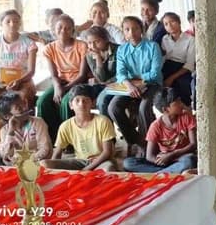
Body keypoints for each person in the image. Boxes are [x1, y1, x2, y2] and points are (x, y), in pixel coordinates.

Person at [107, 16, 163, 157]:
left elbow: (155, 73)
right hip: (130, 85)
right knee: (113, 107)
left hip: (152, 84)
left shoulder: (153, 47)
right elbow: (120, 73)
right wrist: (130, 86)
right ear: (123, 32)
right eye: (127, 29)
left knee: (144, 107)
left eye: (135, 29)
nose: (131, 32)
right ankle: (137, 141)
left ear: (141, 30)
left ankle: (147, 144)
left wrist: (139, 80)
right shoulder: (122, 50)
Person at [40, 85, 116, 171]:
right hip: (81, 162)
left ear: (93, 103)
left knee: (109, 168)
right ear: (71, 105)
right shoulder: (65, 126)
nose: (81, 104)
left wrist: (86, 170)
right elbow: (57, 153)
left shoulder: (103, 121)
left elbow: (107, 152)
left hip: (100, 161)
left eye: (86, 100)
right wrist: (53, 168)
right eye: (77, 100)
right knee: (45, 164)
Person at [37, 14, 89, 141]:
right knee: (42, 102)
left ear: (73, 30)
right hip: (60, 82)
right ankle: (51, 138)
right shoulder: (49, 49)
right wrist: (57, 87)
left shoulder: (82, 46)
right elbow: (54, 75)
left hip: (78, 82)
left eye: (68, 28)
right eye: (59, 27)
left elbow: (82, 75)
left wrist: (64, 89)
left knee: (67, 102)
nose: (63, 31)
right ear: (53, 30)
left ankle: (68, 140)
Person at [123, 87, 197, 173]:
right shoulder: (155, 126)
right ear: (165, 109)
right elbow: (149, 156)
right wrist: (161, 160)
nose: (181, 104)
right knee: (128, 163)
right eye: (177, 102)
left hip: (181, 158)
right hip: (164, 162)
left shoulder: (186, 117)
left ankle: (160, 174)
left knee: (190, 160)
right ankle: (168, 172)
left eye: (180, 100)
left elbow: (193, 144)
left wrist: (172, 155)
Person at [0, 10, 38, 107]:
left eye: (16, 21)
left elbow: (31, 71)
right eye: (8, 21)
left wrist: (19, 81)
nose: (12, 24)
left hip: (23, 80)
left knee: (23, 96)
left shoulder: (29, 44)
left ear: (20, 24)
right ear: (1, 24)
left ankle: (24, 116)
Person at [0, 92, 52, 165]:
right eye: (18, 108)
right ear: (7, 116)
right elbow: (5, 154)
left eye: (24, 104)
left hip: (37, 163)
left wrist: (25, 161)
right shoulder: (5, 130)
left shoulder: (38, 122)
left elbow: (44, 149)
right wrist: (11, 132)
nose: (25, 108)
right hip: (16, 165)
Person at [160, 12, 195, 108]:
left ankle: (186, 109)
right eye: (166, 24)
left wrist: (171, 78)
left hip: (182, 68)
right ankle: (168, 110)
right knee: (160, 86)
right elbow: (164, 58)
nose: (170, 26)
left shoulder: (190, 39)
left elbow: (189, 64)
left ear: (179, 22)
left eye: (172, 22)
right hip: (167, 67)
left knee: (183, 84)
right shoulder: (164, 39)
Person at [83, 26, 119, 117]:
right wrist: (98, 59)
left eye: (97, 42)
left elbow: (121, 73)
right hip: (102, 84)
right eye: (89, 43)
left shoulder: (118, 50)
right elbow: (101, 78)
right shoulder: (90, 55)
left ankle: (106, 125)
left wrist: (108, 82)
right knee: (79, 95)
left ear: (106, 39)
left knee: (102, 102)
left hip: (118, 83)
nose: (93, 46)